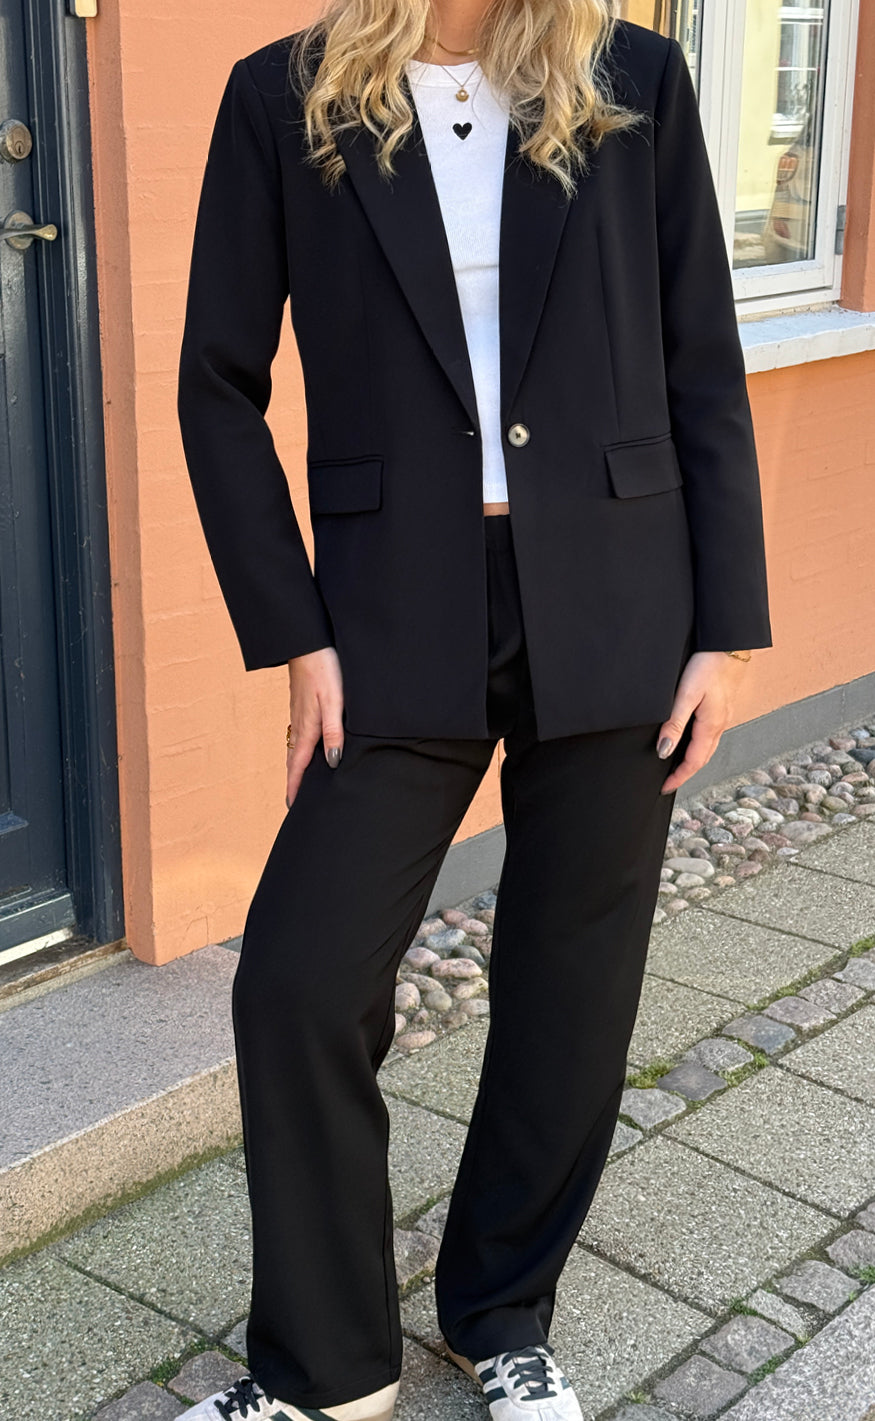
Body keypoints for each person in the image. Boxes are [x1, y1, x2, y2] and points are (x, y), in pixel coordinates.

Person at [176, 0, 772, 1416]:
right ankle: (331, 1366)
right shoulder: (283, 97)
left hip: (620, 597)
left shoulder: (633, 77)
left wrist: (727, 626)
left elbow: (701, 358)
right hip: (390, 611)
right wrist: (293, 633)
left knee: (573, 986)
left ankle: (500, 1311)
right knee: (299, 980)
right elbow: (215, 386)